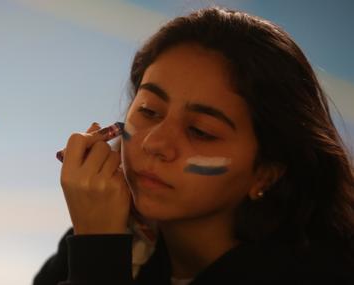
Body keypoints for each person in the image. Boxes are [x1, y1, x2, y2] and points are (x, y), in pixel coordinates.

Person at [34, 7, 354, 285]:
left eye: (200, 131)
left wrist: (98, 252)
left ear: (266, 174)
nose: (154, 143)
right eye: (148, 110)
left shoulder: (312, 275)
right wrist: (95, 239)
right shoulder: (122, 232)